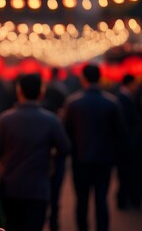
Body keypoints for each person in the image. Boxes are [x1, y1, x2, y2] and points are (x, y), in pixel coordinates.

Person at [0, 74, 70, 231]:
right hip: (38, 188)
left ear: (19, 91)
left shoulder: (5, 119)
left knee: (12, 225)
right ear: (41, 92)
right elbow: (65, 148)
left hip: (11, 187)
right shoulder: (51, 120)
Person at [63, 64, 125, 231]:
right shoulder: (111, 103)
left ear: (83, 78)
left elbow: (66, 133)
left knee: (82, 200)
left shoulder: (73, 103)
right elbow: (119, 134)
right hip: (104, 159)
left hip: (80, 160)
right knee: (101, 200)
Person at [42, 67, 70, 231]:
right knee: (55, 192)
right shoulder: (56, 120)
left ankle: (47, 218)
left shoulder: (41, 116)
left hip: (40, 163)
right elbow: (65, 146)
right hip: (56, 161)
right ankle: (54, 221)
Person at [115, 74, 141, 209]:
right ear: (129, 84)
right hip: (127, 145)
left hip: (128, 145)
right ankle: (125, 199)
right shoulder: (122, 100)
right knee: (126, 174)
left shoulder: (127, 98)